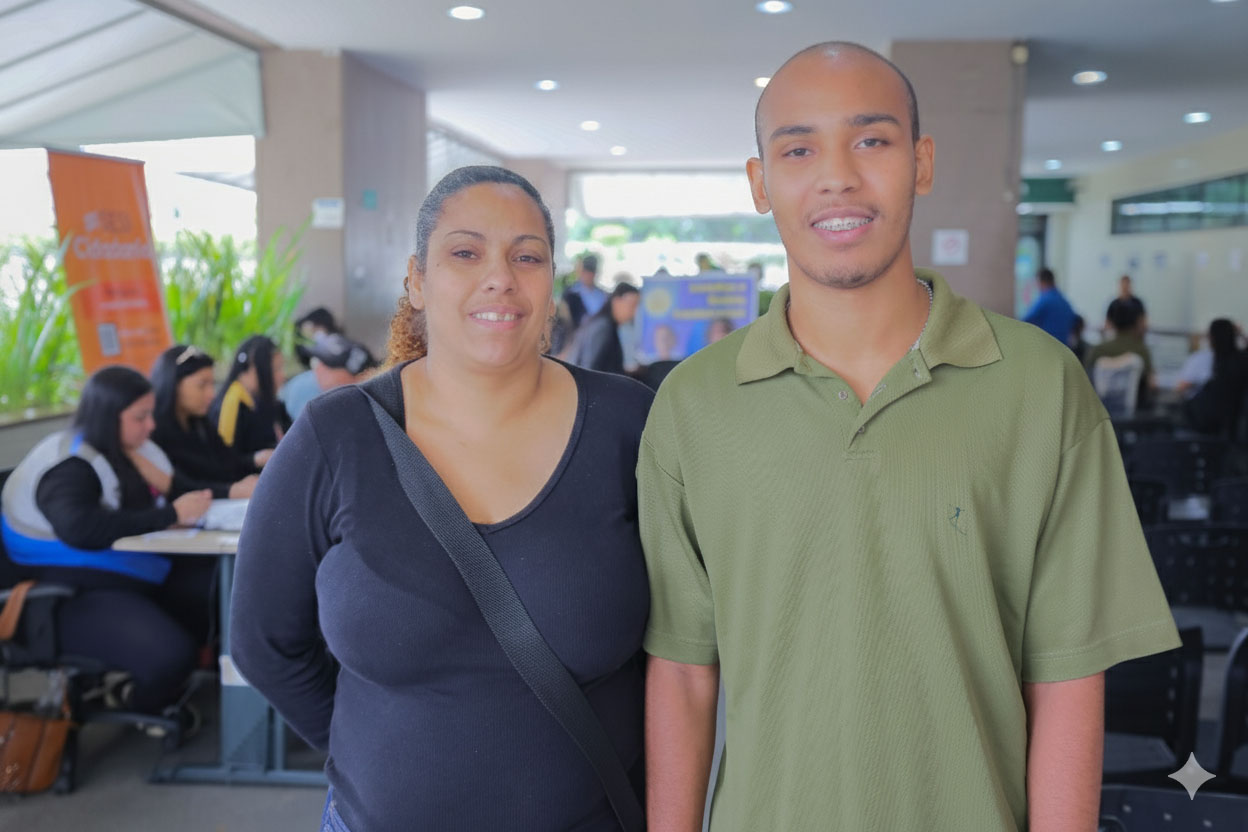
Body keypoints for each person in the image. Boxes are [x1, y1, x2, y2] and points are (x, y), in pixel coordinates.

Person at [640, 42, 1179, 832]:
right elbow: (684, 674)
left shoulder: (1040, 384)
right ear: (760, 183)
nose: (837, 176)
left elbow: (1066, 676)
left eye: (871, 140)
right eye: (798, 148)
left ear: (921, 162)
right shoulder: (693, 404)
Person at [230, 165, 652, 831]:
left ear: (552, 284)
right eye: (465, 252)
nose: (500, 276)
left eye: (527, 256)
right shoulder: (336, 436)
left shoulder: (627, 423)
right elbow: (264, 642)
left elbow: (684, 650)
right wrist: (373, 757)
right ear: (417, 280)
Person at [1, 366, 213, 714]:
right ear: (108, 417)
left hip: (120, 574)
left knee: (213, 590)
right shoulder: (69, 464)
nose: (151, 425)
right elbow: (80, 529)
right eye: (140, 417)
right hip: (61, 592)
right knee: (170, 656)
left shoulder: (119, 450)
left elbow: (168, 495)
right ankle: (135, 703)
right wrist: (169, 516)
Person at [150, 344, 265, 498]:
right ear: (173, 384)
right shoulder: (154, 431)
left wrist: (255, 461)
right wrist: (230, 491)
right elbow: (179, 486)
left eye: (212, 384)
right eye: (202, 385)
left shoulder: (200, 423)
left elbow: (228, 461)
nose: (211, 394)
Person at [210, 335, 291, 456]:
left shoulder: (270, 402)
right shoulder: (231, 405)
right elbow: (226, 460)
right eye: (276, 369)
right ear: (252, 369)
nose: (282, 376)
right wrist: (255, 460)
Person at [281, 333, 380, 419]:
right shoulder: (301, 388)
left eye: (326, 365)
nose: (318, 367)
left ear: (357, 379)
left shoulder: (373, 407)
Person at [1086, 296, 1155, 411]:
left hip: (1099, 414)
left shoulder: (1097, 350)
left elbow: (1086, 384)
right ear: (1136, 322)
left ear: (1111, 321)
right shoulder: (1141, 350)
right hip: (1132, 418)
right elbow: (1151, 385)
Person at [1184, 318, 1248, 437]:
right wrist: (1239, 334)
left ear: (1212, 339)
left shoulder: (1220, 365)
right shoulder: (1241, 360)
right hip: (1231, 427)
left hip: (1210, 425)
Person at [568, 283, 641, 375]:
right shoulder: (603, 327)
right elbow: (589, 369)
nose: (634, 311)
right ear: (616, 301)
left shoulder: (605, 325)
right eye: (632, 305)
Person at [1022, 267, 1077, 347]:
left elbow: (1025, 321)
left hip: (1047, 347)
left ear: (1042, 282)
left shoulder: (1045, 300)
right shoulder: (1064, 302)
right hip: (1063, 348)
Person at [562, 253, 608, 330]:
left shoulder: (602, 294)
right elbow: (565, 318)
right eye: (586, 272)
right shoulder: (571, 293)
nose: (589, 276)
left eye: (591, 273)